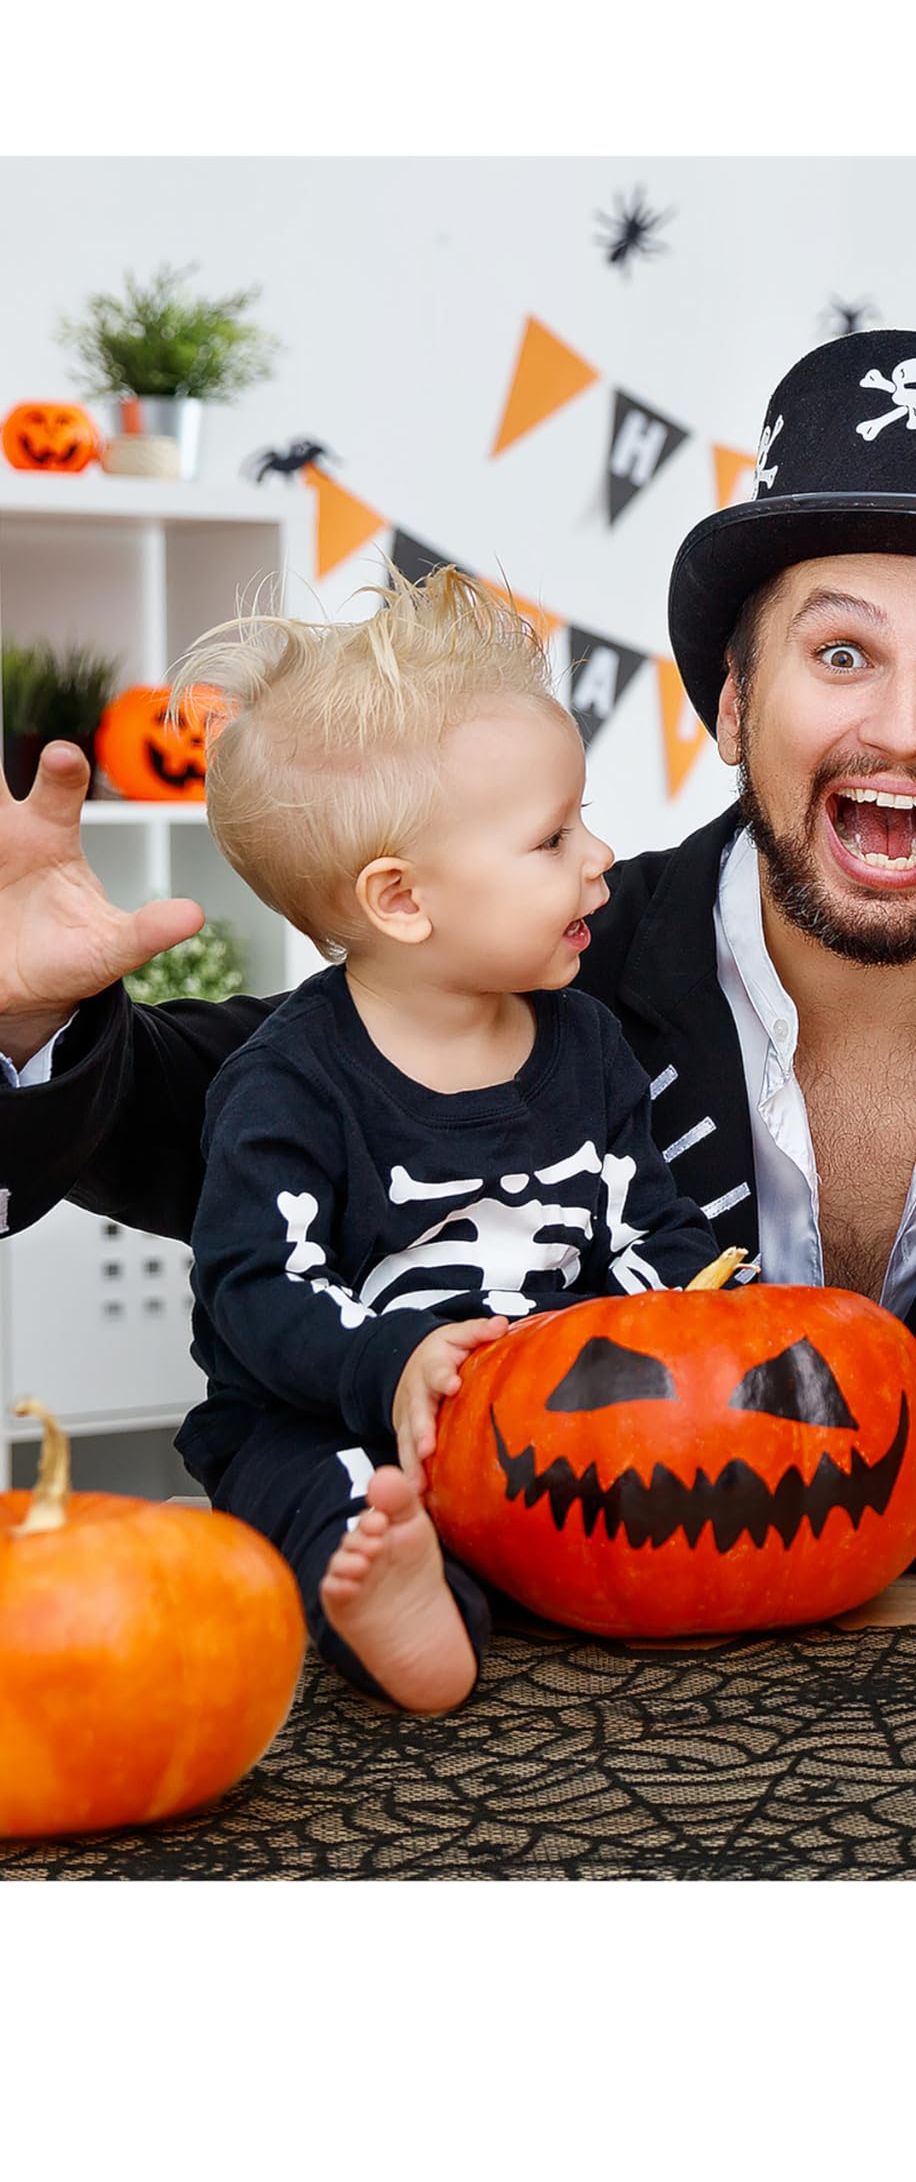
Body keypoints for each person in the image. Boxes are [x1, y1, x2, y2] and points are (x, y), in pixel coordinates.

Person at [0, 329, 916, 1590]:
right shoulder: (557, 954)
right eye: (843, 655)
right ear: (735, 704)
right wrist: (25, 1015)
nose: (907, 730)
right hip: (623, 1666)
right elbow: (191, 1098)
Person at [166, 572, 734, 1710]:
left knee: (697, 1467)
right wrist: (388, 1365)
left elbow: (646, 1224)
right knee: (333, 1494)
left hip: (542, 1424)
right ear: (403, 899)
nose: (601, 855)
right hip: (330, 1413)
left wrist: (705, 1309)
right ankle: (403, 1604)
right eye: (552, 837)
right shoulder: (285, 1086)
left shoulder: (588, 1045)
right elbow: (255, 1288)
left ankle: (505, 1565)